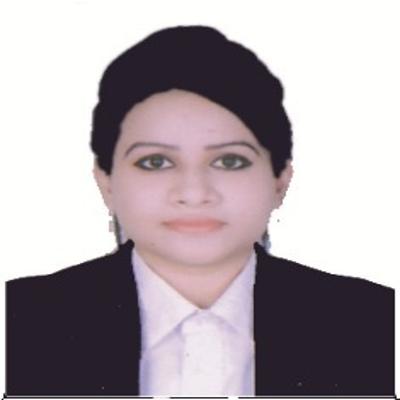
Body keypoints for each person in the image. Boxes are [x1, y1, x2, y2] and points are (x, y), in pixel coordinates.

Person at [6, 25, 394, 396]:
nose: (194, 193)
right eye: (155, 162)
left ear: (280, 180)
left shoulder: (376, 322)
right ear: (106, 181)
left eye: (230, 161)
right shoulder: (18, 319)